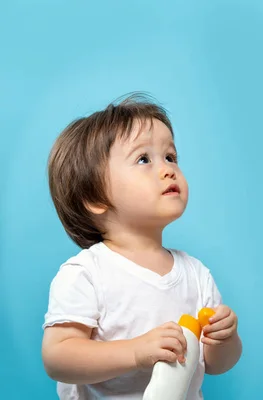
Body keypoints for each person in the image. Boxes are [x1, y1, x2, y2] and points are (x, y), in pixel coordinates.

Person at [41, 93, 242, 399]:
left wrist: (225, 341)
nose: (167, 169)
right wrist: (135, 352)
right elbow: (58, 358)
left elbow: (215, 365)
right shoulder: (86, 274)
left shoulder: (196, 274)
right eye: (143, 159)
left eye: (170, 156)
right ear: (96, 198)